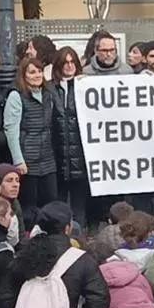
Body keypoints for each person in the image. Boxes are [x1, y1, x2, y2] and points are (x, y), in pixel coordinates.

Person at [5, 57, 58, 221]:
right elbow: (11, 130)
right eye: (32, 72)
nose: (37, 75)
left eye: (39, 71)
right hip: (27, 157)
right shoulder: (16, 96)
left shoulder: (48, 94)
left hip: (47, 157)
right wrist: (18, 160)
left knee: (50, 200)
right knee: (29, 205)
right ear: (24, 75)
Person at [51, 47, 90, 226]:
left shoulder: (85, 86)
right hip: (56, 153)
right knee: (59, 201)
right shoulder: (49, 88)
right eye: (65, 62)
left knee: (79, 202)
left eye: (72, 61)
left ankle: (80, 237)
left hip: (80, 155)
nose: (69, 66)